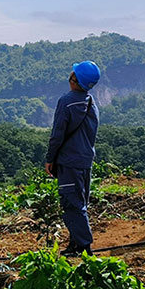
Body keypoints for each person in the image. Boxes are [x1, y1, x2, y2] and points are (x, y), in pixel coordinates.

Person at [44, 61, 101, 256]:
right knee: (80, 202)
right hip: (85, 159)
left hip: (69, 161)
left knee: (72, 204)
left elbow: (57, 134)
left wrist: (50, 158)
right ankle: (76, 244)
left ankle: (83, 246)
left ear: (74, 79)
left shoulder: (67, 101)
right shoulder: (91, 102)